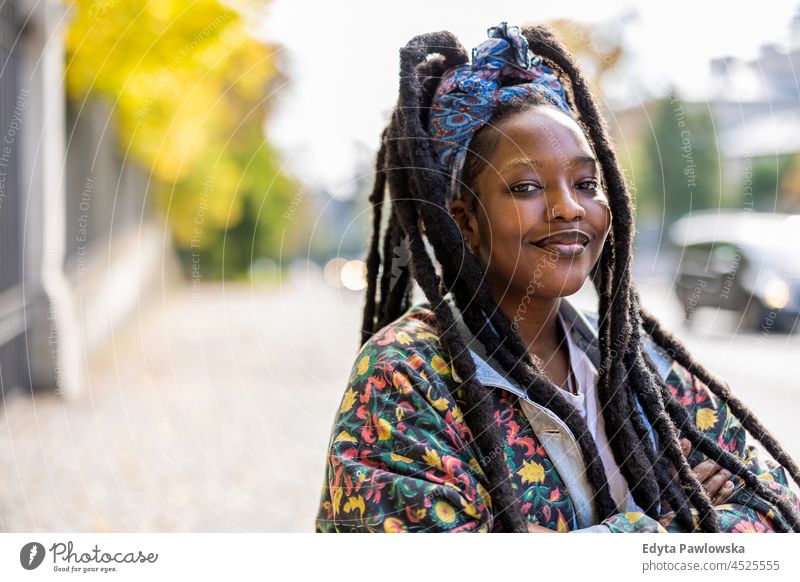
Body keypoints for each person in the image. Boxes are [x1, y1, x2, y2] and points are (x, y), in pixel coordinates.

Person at [315, 22, 800, 533]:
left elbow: (776, 510)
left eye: (587, 183)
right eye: (525, 187)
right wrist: (665, 528)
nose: (569, 208)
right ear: (464, 220)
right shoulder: (404, 377)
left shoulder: (640, 364)